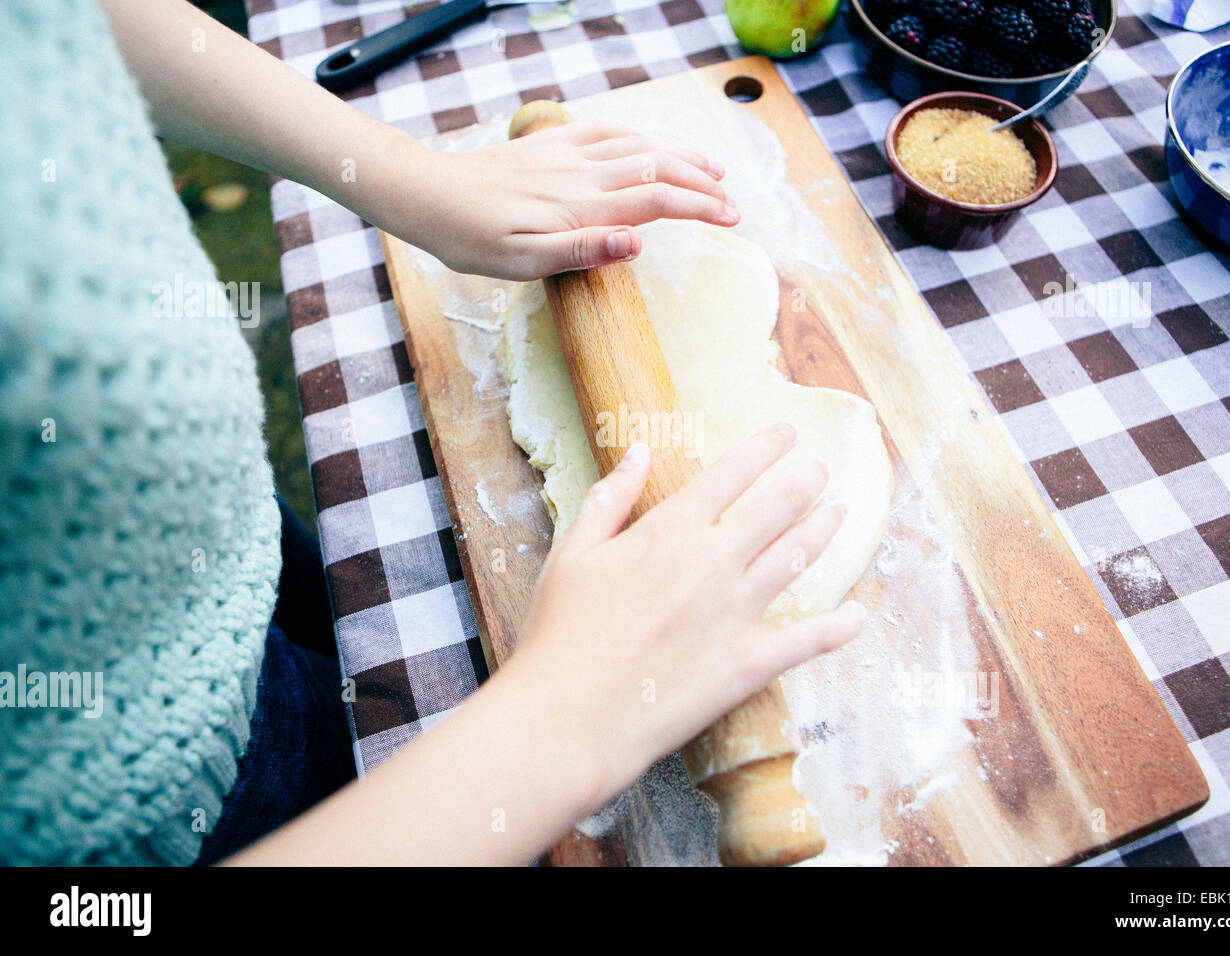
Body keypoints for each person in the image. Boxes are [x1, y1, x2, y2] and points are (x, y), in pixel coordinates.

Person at [0, 0, 867, 866]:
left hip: (194, 543)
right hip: (158, 788)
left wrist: (414, 179)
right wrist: (568, 714)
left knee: (315, 617)